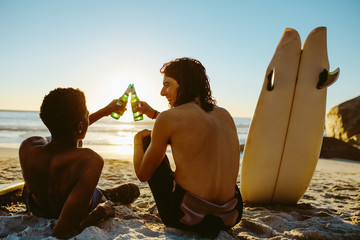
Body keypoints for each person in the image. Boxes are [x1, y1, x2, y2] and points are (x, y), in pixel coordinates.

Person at [133, 57, 243, 237]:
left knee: (147, 143)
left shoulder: (168, 118)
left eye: (167, 85)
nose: (162, 92)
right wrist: (154, 114)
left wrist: (138, 141)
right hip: (232, 215)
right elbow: (193, 130)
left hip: (187, 218)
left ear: (183, 84)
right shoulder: (224, 114)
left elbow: (143, 174)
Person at [19, 87, 140, 239]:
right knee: (132, 190)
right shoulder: (91, 160)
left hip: (38, 208)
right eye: (87, 115)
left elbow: (63, 132)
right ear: (81, 126)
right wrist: (102, 211)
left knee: (70, 145)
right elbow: (64, 231)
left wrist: (104, 111)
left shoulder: (28, 146)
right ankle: (105, 194)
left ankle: (98, 191)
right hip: (71, 210)